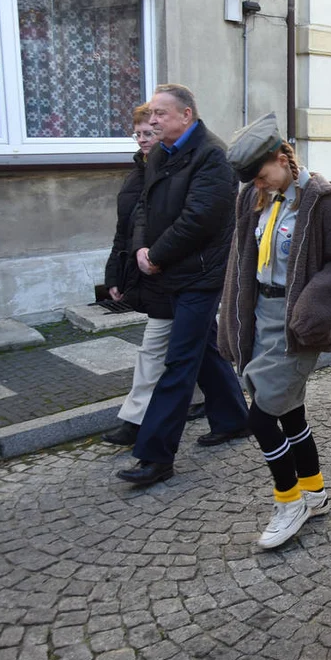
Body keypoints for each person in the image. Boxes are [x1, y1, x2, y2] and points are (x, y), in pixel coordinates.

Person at [217, 113, 331, 548]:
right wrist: (232, 313)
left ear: (282, 158)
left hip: (298, 324)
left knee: (259, 417)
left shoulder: (320, 201)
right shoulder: (255, 198)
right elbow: (241, 258)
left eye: (261, 176)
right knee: (288, 411)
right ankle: (314, 491)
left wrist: (311, 310)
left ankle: (288, 500)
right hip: (262, 316)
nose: (258, 185)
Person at [116, 84, 250, 486]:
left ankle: (156, 456)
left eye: (160, 113)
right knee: (203, 348)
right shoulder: (161, 152)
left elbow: (199, 220)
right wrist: (141, 247)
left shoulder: (212, 155)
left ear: (186, 115)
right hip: (168, 269)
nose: (152, 120)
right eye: (151, 114)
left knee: (179, 361)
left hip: (201, 275)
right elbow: (144, 206)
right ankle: (233, 419)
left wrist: (155, 255)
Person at [102, 103, 204, 447]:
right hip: (150, 272)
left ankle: (137, 421)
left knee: (157, 348)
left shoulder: (179, 167)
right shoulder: (137, 173)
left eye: (151, 132)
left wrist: (159, 256)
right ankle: (224, 408)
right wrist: (115, 271)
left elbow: (192, 223)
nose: (145, 140)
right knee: (199, 348)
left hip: (181, 273)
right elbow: (125, 229)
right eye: (140, 134)